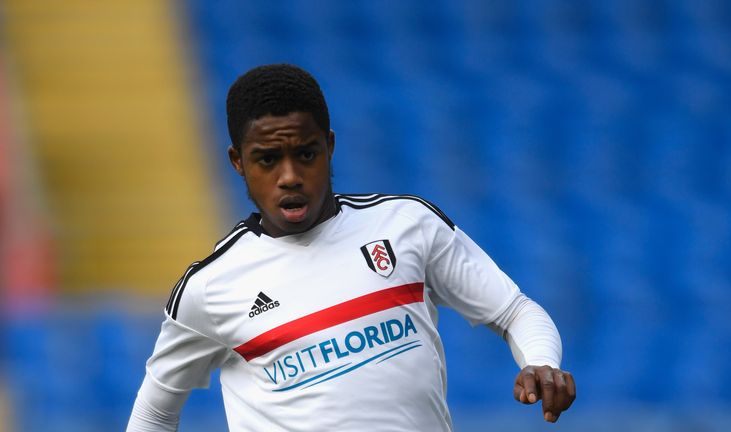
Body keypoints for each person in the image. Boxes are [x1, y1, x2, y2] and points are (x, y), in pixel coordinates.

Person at [127, 64, 575, 431]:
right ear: (238, 162)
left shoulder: (406, 225)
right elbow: (155, 411)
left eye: (306, 154)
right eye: (267, 159)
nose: (290, 176)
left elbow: (514, 310)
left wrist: (541, 361)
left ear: (330, 147)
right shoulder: (210, 286)